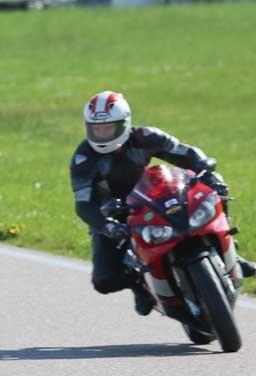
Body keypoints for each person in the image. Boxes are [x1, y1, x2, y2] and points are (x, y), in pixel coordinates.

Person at [70, 90, 255, 315]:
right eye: (96, 129)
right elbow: (83, 204)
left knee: (216, 188)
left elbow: (182, 151)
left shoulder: (146, 136)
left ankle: (231, 251)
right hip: (111, 214)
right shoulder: (83, 158)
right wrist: (106, 226)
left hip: (153, 197)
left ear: (124, 124)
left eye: (108, 128)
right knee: (104, 280)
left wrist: (202, 165)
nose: (101, 135)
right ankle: (140, 286)